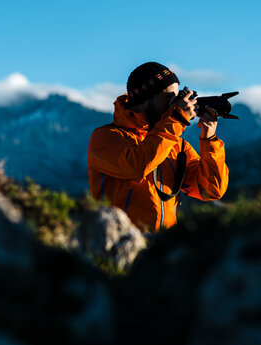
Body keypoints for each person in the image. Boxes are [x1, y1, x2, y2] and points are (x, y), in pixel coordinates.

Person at [87, 62, 229, 232]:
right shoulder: (105, 137)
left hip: (159, 249)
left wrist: (209, 139)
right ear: (145, 98)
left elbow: (211, 190)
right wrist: (176, 119)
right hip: (118, 243)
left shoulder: (174, 143)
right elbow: (138, 166)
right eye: (169, 97)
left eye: (178, 96)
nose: (175, 103)